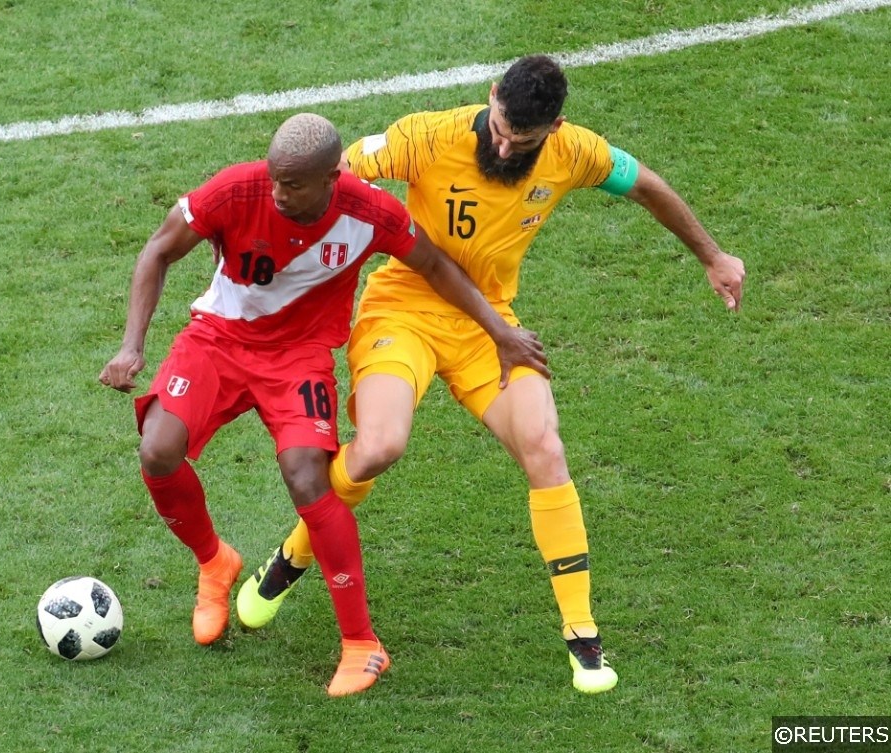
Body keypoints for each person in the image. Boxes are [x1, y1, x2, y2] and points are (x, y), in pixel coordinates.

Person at [236, 56, 747, 695]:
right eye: (500, 127)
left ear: (553, 128)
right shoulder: (427, 135)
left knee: (545, 446)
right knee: (377, 448)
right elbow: (335, 171)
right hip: (403, 310)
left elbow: (646, 185)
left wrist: (714, 255)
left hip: (491, 328)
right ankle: (291, 557)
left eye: (521, 140)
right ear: (491, 98)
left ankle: (582, 637)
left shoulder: (578, 153)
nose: (503, 145)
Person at [99, 113, 547, 697]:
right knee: (158, 450)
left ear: (333, 175)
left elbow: (436, 265)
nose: (279, 193)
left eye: (294, 185)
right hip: (218, 339)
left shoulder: (371, 214)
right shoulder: (237, 189)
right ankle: (214, 562)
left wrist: (499, 332)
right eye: (276, 179)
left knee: (308, 475)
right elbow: (159, 249)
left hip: (299, 357)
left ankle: (362, 644)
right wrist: (133, 345)